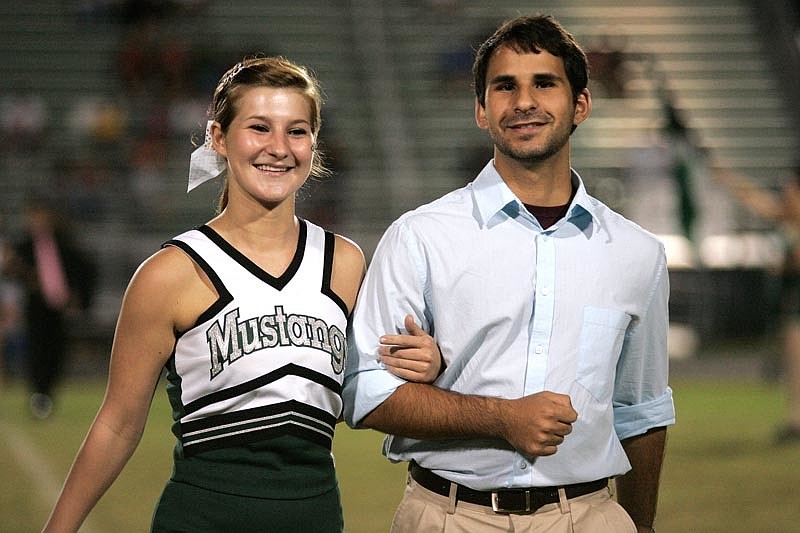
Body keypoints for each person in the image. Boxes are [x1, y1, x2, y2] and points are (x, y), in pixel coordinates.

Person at [43, 56, 441, 533]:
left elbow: (358, 385)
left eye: (297, 131)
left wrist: (426, 365)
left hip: (315, 519)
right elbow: (118, 424)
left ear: (314, 143)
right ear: (218, 137)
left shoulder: (345, 263)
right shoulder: (170, 273)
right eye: (259, 128)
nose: (279, 148)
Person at [343, 15, 675, 533]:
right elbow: (367, 393)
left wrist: (642, 525)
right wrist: (503, 418)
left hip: (588, 517)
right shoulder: (420, 236)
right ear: (482, 110)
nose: (524, 101)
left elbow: (643, 411)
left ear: (580, 104)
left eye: (544, 83)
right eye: (505, 86)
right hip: (449, 516)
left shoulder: (637, 253)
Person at [712, 164, 800, 444]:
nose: (785, 195)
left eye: (791, 191)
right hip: (791, 303)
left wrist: (784, 265)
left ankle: (795, 420)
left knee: (795, 357)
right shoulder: (786, 220)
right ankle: (794, 419)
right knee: (792, 361)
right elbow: (753, 198)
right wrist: (726, 177)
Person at [3, 196, 96, 418]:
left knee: (56, 352)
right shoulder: (23, 246)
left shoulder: (64, 242)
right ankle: (39, 395)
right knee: (36, 351)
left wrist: (79, 297)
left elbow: (85, 269)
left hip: (59, 309)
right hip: (35, 308)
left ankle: (48, 393)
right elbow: (10, 270)